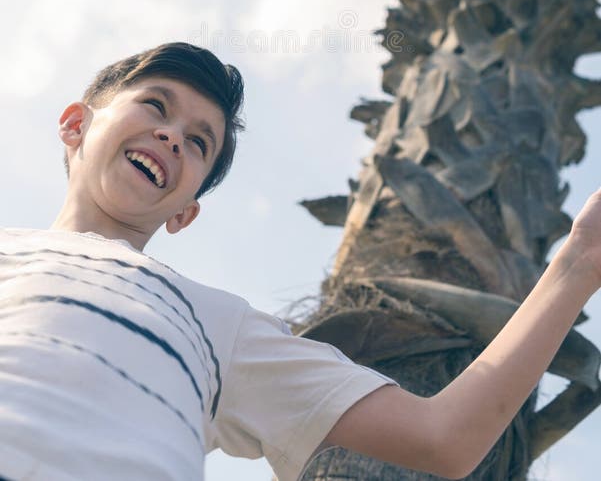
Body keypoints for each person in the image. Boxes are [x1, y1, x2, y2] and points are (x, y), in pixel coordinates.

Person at [0, 41, 598, 480]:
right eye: (156, 106)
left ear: (184, 212)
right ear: (76, 124)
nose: (173, 136)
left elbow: (444, 439)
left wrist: (578, 265)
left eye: (199, 141)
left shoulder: (221, 325)